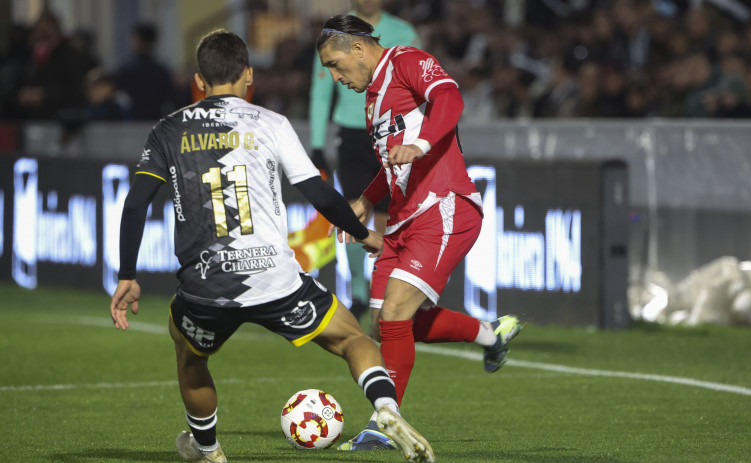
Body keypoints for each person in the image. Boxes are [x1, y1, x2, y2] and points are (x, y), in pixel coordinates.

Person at [109, 29, 434, 463]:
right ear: (248, 76)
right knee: (353, 339)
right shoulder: (270, 123)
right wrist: (365, 235)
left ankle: (208, 450)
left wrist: (127, 275)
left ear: (199, 81)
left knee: (189, 355)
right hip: (275, 280)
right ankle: (386, 409)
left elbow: (135, 205)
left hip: (206, 285)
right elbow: (319, 193)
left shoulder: (168, 130)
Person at [316, 14, 523, 452]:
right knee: (385, 323)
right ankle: (491, 335)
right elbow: (394, 164)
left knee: (393, 315)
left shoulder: (407, 60)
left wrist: (423, 144)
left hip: (444, 206)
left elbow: (449, 97)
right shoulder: (372, 99)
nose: (335, 77)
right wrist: (368, 199)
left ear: (358, 48)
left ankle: (383, 424)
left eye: (335, 64)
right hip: (404, 219)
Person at [309, 0, 420, 322]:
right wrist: (318, 144)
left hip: (393, 133)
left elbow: (416, 84)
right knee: (355, 215)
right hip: (354, 135)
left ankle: (385, 287)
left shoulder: (404, 32)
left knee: (389, 218)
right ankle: (359, 291)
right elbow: (320, 91)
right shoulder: (335, 34)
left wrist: (416, 136)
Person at [115, 23, 176, 121]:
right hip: (155, 122)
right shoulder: (162, 72)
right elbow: (170, 99)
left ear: (138, 40)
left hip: (130, 124)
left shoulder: (126, 70)